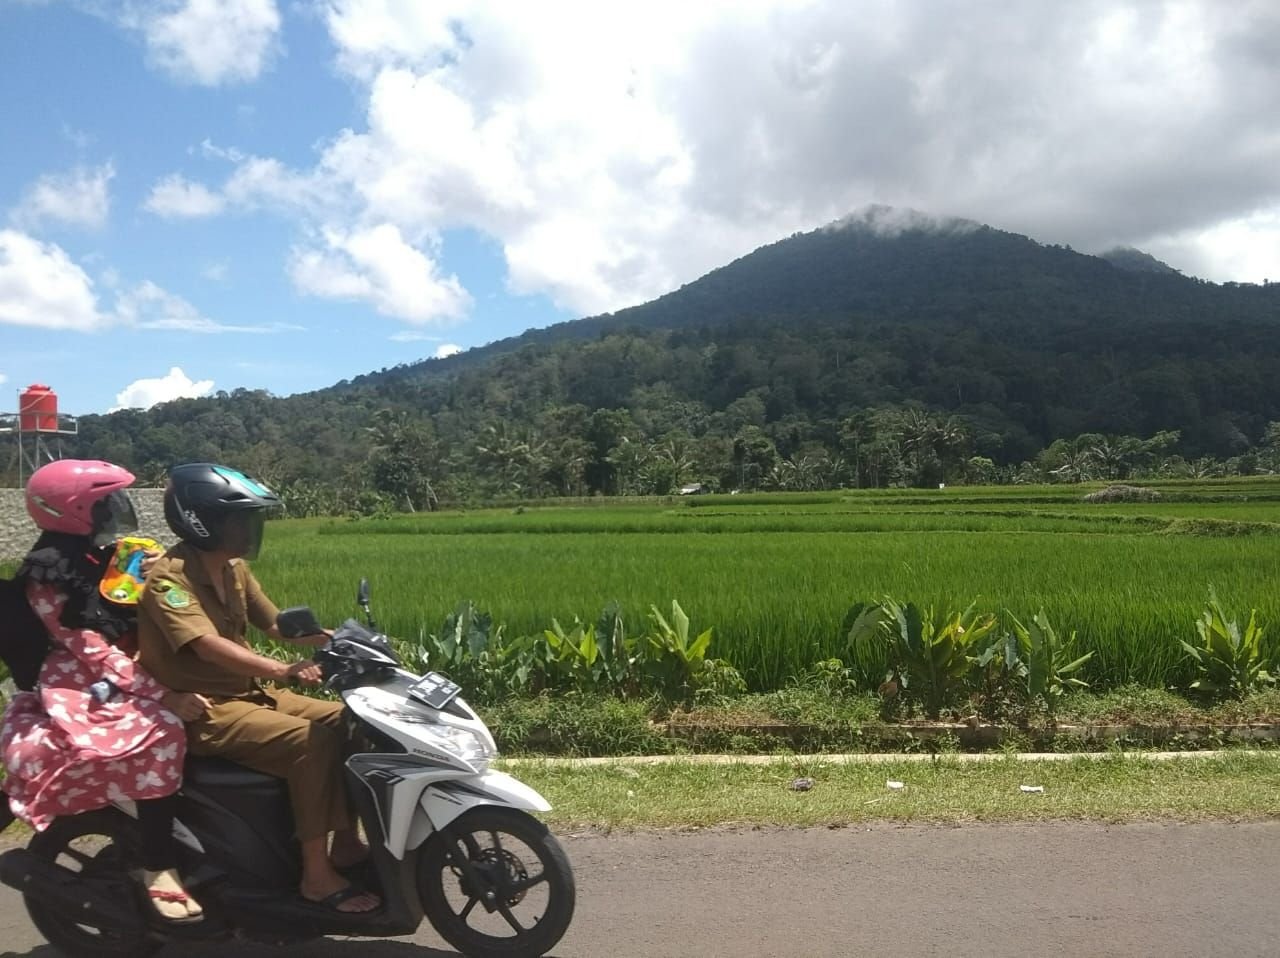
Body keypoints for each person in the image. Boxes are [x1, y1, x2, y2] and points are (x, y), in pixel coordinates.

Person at [136, 463, 379, 915]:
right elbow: (207, 647)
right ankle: (316, 877)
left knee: (352, 720)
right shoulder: (168, 580)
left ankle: (346, 843)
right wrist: (281, 670)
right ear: (203, 523)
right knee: (311, 742)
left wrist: (339, 641)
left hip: (250, 695)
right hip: (206, 708)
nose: (250, 529)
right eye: (239, 519)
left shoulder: (234, 570)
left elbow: (276, 625)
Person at [1, 460, 208, 923]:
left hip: (126, 666)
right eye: (106, 502)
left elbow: (140, 609)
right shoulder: (49, 573)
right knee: (164, 732)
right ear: (74, 512)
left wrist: (161, 573)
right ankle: (159, 865)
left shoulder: (109, 555)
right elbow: (91, 648)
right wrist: (163, 696)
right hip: (80, 680)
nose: (118, 508)